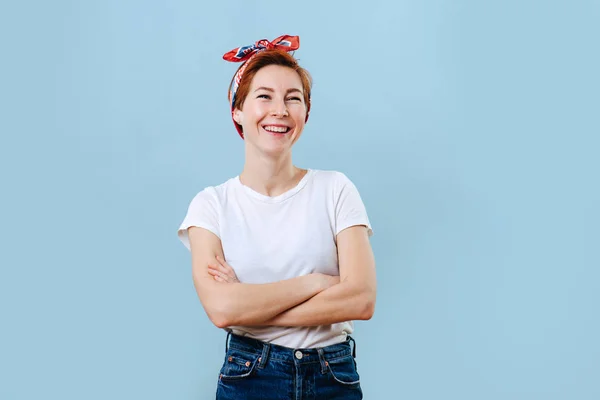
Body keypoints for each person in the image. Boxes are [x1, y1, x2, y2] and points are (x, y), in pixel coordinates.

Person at [177, 34, 376, 400]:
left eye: (293, 98)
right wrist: (317, 282)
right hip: (250, 376)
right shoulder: (210, 206)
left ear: (306, 112)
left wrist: (248, 307)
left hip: (332, 377)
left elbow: (361, 299)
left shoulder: (336, 189)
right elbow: (222, 310)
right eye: (264, 96)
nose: (280, 110)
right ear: (238, 110)